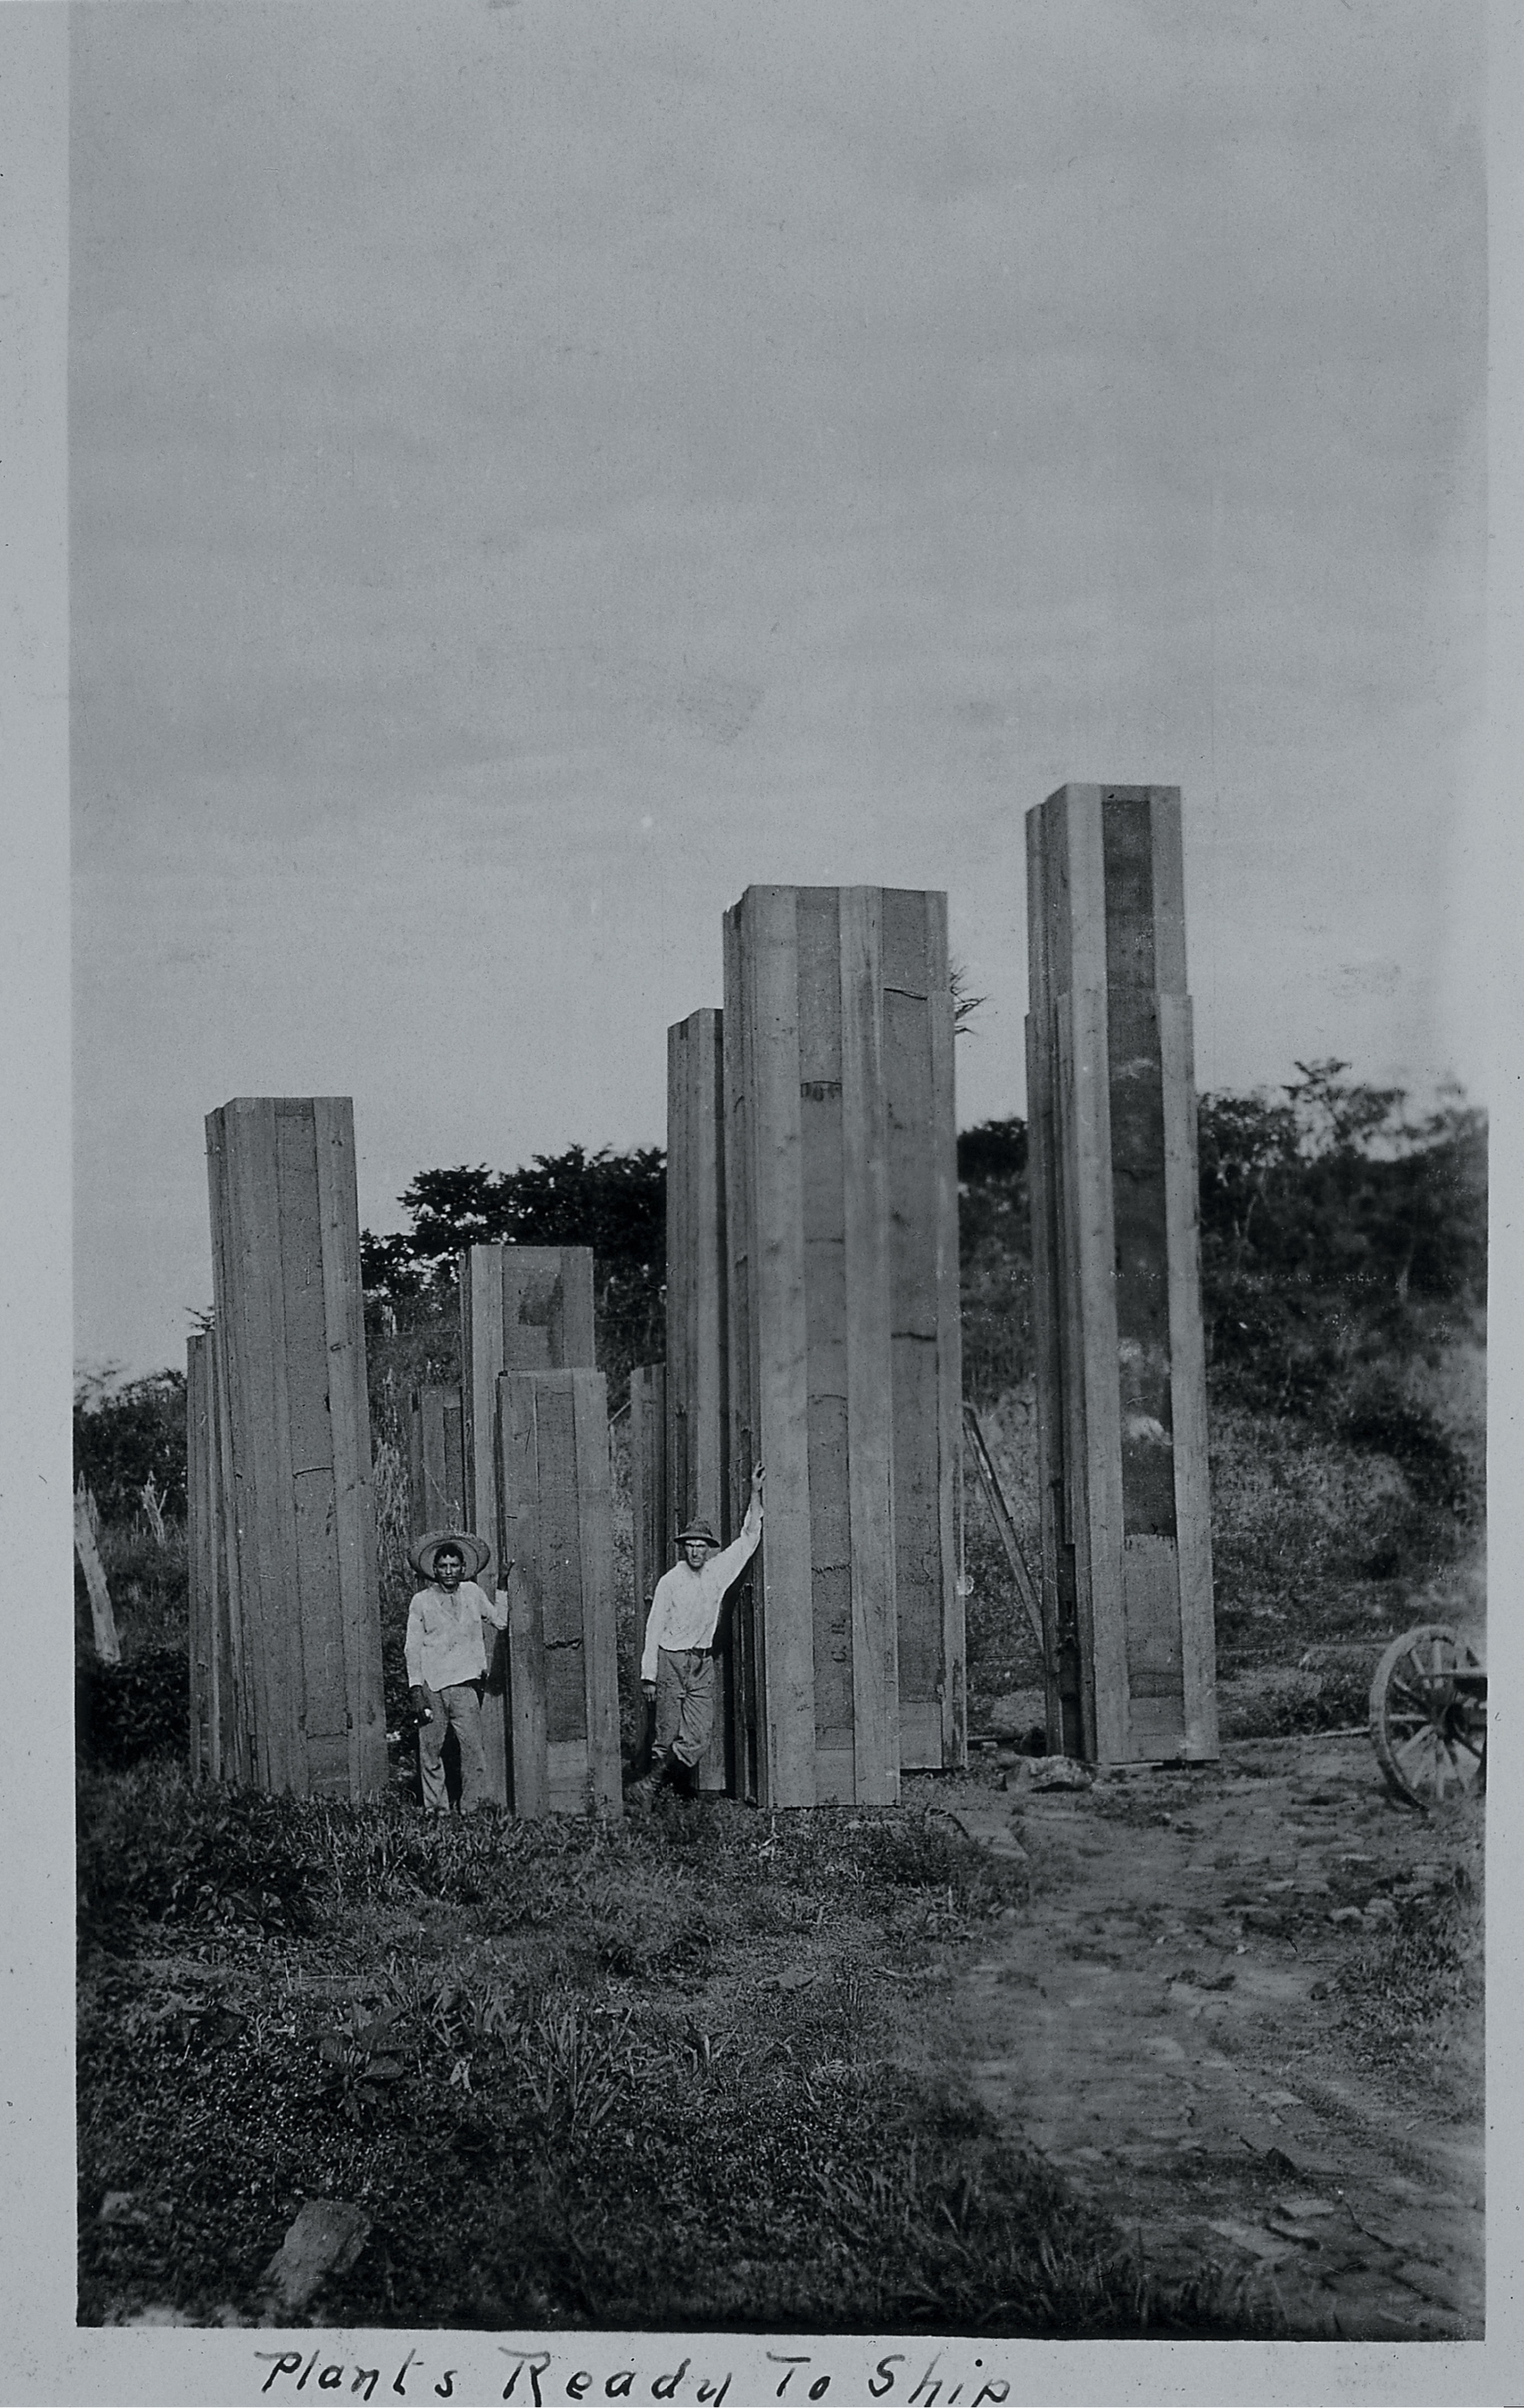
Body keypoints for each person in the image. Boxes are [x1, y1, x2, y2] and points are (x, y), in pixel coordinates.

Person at [630, 1464, 765, 1804]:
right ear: (683, 1548)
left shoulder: (717, 1572)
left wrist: (755, 1491)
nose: (695, 1551)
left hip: (702, 1664)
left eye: (701, 1546)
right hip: (671, 1661)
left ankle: (650, 1787)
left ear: (709, 1549)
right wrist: (649, 1675)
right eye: (690, 1545)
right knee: (666, 1735)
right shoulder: (670, 1581)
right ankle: (659, 1800)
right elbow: (653, 1627)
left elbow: (749, 1538)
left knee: (698, 1737)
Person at [404, 1531, 511, 1815]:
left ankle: (471, 1809)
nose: (449, 1571)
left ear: (463, 1569)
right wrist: (417, 1689)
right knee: (430, 1751)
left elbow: (500, 1621)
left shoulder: (473, 1594)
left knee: (473, 1751)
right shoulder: (421, 1601)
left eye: (454, 1566)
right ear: (434, 1569)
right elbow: (412, 1649)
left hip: (465, 1687)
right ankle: (436, 1810)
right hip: (432, 1687)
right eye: (443, 1566)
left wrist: (501, 1585)